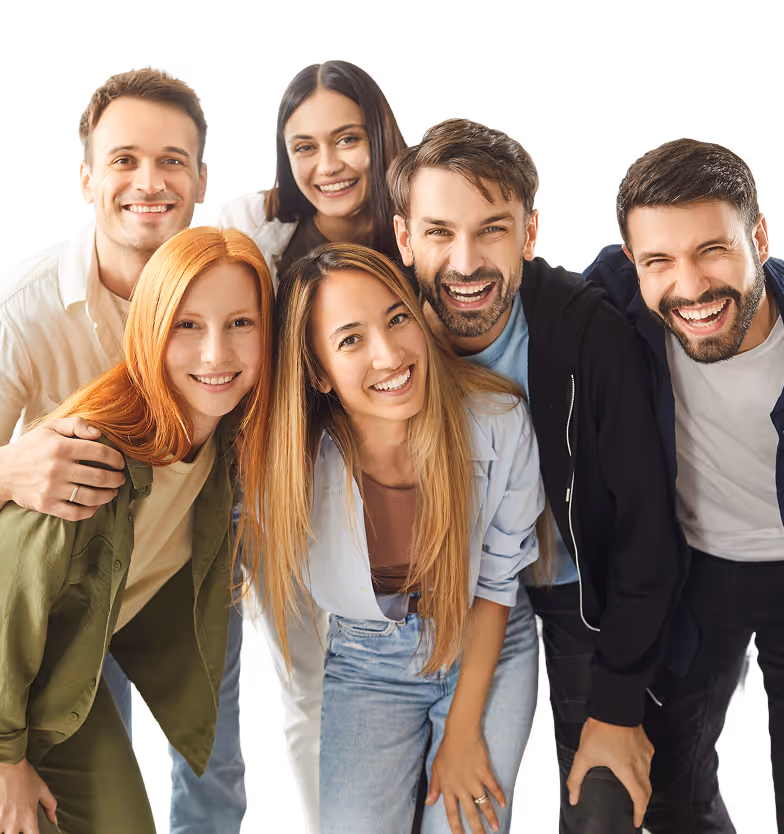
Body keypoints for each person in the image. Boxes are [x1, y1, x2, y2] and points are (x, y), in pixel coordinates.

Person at [387, 118, 684, 833]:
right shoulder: (380, 334)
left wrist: (616, 709)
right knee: (446, 803)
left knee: (604, 803)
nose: (465, 262)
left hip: (581, 592)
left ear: (529, 233)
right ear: (403, 238)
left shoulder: (589, 334)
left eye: (491, 230)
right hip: (451, 594)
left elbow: (648, 531)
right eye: (438, 233)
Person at [0, 65, 249, 832]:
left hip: (176, 572)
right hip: (65, 591)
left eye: (173, 160)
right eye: (124, 160)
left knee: (216, 766)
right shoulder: (26, 306)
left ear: (202, 178)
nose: (151, 180)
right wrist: (8, 466)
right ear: (85, 178)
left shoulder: (227, 291)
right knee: (90, 772)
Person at [255, 242, 547, 834]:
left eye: (396, 318)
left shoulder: (496, 419)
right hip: (365, 662)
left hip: (486, 640)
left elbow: (496, 584)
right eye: (350, 339)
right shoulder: (290, 465)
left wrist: (464, 732)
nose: (389, 354)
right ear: (317, 371)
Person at [209, 59, 408, 831]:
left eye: (348, 139)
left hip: (407, 497)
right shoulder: (258, 236)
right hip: (285, 503)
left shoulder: (414, 224)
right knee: (309, 695)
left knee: (416, 685)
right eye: (305, 147)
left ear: (380, 137)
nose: (328, 166)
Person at [583, 137, 784, 833]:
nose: (691, 286)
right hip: (699, 571)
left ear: (758, 236)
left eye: (713, 250)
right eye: (659, 261)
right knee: (671, 784)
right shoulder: (616, 295)